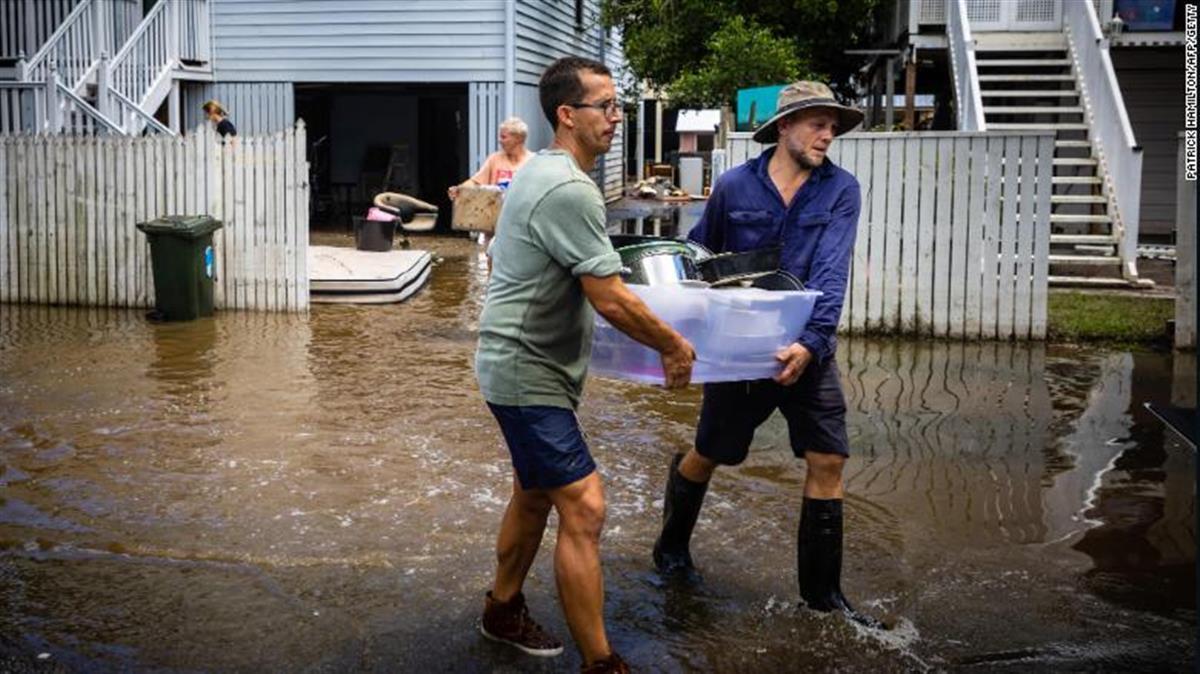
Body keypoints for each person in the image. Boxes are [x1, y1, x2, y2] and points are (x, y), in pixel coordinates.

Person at [475, 56, 695, 673]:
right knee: (585, 504)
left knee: (535, 494)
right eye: (606, 107)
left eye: (619, 106)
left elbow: (503, 265)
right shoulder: (569, 187)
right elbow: (609, 296)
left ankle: (502, 610)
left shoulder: (542, 173)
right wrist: (674, 344)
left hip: (514, 362)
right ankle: (601, 663)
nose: (617, 118)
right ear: (568, 115)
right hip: (527, 373)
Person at [651, 81, 883, 629]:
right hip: (739, 350)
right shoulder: (734, 187)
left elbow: (832, 269)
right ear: (785, 127)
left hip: (808, 346)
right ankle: (671, 547)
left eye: (833, 125)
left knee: (828, 458)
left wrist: (812, 342)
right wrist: (682, 326)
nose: (828, 134)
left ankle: (822, 597)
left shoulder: (840, 190)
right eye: (817, 123)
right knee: (713, 450)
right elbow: (700, 258)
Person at [449, 117, 533, 200]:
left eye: (503, 137)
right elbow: (475, 182)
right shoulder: (495, 159)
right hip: (497, 212)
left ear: (518, 139)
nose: (499, 140)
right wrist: (459, 189)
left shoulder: (533, 161)